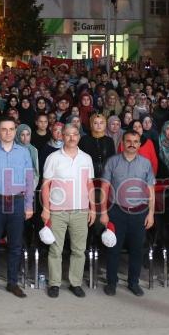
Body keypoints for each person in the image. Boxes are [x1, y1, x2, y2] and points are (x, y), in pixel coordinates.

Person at [0, 118, 35, 298]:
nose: (8, 133)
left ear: (15, 131)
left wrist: (28, 204)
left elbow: (29, 180)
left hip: (17, 202)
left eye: (11, 129)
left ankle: (12, 283)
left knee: (16, 245)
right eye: (4, 129)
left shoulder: (24, 153)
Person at [41, 124, 95, 298]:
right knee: (56, 249)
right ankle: (54, 283)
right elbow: (46, 185)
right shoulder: (53, 158)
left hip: (81, 210)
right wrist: (46, 209)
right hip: (58, 210)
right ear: (62, 136)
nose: (72, 138)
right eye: (68, 135)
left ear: (79, 136)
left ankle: (75, 283)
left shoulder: (86, 158)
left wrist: (93, 208)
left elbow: (90, 184)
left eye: (75, 134)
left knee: (79, 250)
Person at [101, 130, 156, 296]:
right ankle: (112, 282)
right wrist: (103, 213)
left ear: (140, 144)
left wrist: (151, 213)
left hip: (139, 212)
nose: (132, 144)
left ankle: (133, 282)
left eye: (136, 141)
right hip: (116, 211)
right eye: (128, 141)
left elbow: (151, 190)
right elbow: (104, 189)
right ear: (122, 143)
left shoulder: (146, 164)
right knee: (113, 249)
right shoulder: (112, 162)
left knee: (136, 250)